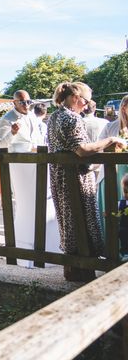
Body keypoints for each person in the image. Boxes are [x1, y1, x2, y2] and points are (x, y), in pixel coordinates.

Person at [47, 82, 123, 281]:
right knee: (82, 220)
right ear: (75, 98)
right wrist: (109, 141)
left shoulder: (54, 116)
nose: (88, 104)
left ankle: (72, 269)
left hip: (59, 176)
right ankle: (83, 271)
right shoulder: (71, 118)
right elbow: (82, 150)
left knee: (68, 220)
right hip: (76, 178)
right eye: (87, 100)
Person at [96, 95, 128, 238]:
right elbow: (98, 147)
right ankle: (113, 246)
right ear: (124, 108)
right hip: (112, 174)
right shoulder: (110, 127)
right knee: (113, 210)